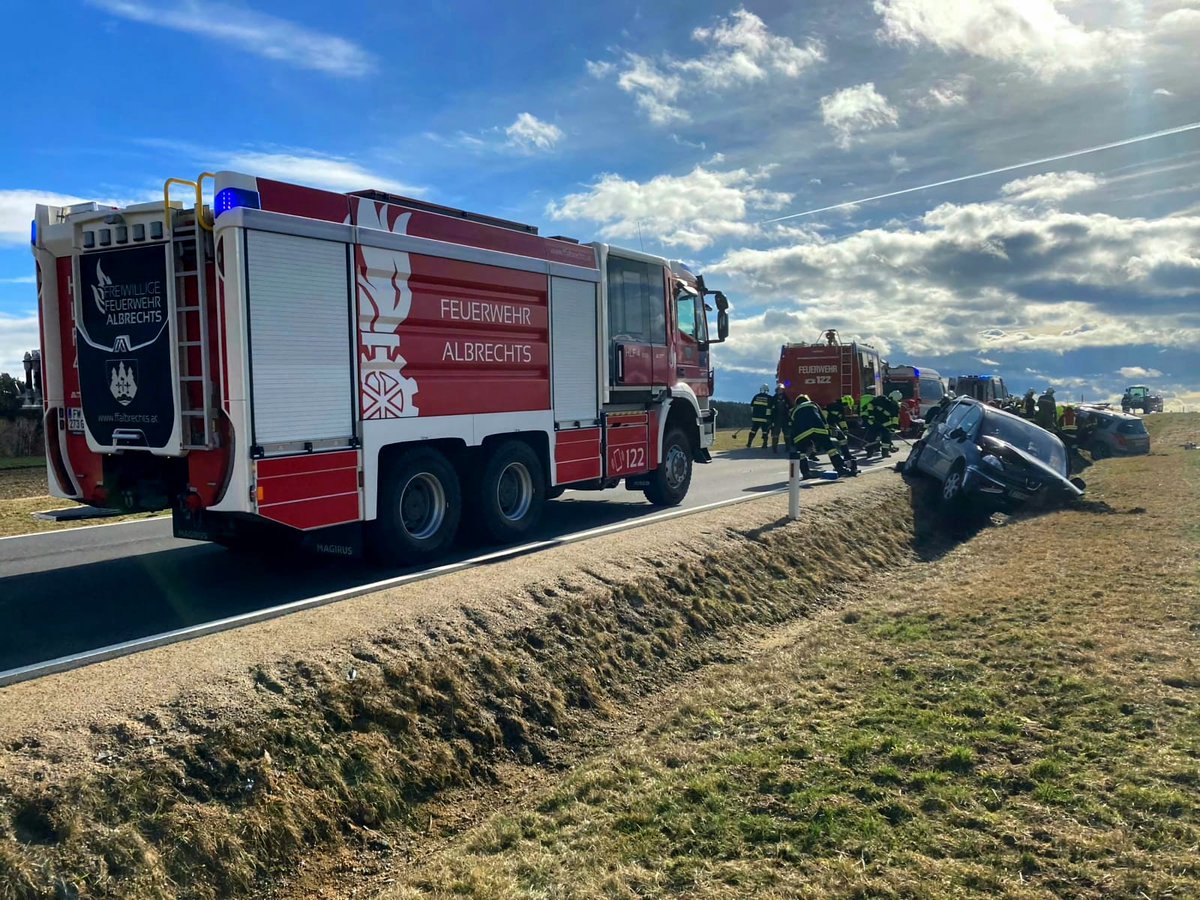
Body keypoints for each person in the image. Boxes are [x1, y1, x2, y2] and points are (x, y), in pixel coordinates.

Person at [789, 394, 856, 477]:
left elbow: (792, 426)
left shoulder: (793, 410)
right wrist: (827, 430)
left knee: (801, 453)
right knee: (830, 448)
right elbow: (822, 418)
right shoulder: (813, 404)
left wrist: (794, 441)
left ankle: (805, 473)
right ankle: (840, 468)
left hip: (801, 433)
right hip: (818, 428)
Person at [866, 391, 900, 458]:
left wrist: (871, 415)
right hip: (884, 424)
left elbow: (870, 405)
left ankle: (870, 453)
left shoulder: (879, 400)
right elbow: (895, 418)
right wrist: (893, 428)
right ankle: (884, 453)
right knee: (886, 438)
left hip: (875, 422)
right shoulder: (894, 405)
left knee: (872, 437)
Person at [824, 395, 852, 460]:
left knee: (842, 438)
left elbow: (841, 420)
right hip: (826, 427)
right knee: (841, 438)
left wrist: (845, 429)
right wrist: (825, 425)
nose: (847, 408)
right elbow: (824, 414)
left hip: (830, 425)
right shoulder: (837, 408)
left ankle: (847, 456)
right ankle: (847, 456)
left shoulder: (836, 407)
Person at [747, 384, 772, 448]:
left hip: (755, 418)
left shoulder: (756, 396)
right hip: (764, 419)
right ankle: (764, 444)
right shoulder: (769, 398)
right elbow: (769, 409)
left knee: (753, 430)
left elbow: (752, 407)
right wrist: (769, 417)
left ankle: (749, 443)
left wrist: (753, 415)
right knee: (765, 431)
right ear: (767, 390)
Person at [770, 384, 790, 454]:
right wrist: (770, 420)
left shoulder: (787, 398)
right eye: (779, 390)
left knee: (787, 434)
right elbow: (770, 410)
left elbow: (790, 408)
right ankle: (774, 448)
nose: (780, 391)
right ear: (776, 390)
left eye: (781, 390)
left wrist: (789, 419)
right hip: (776, 420)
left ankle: (788, 447)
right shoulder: (773, 399)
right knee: (775, 434)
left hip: (785, 419)